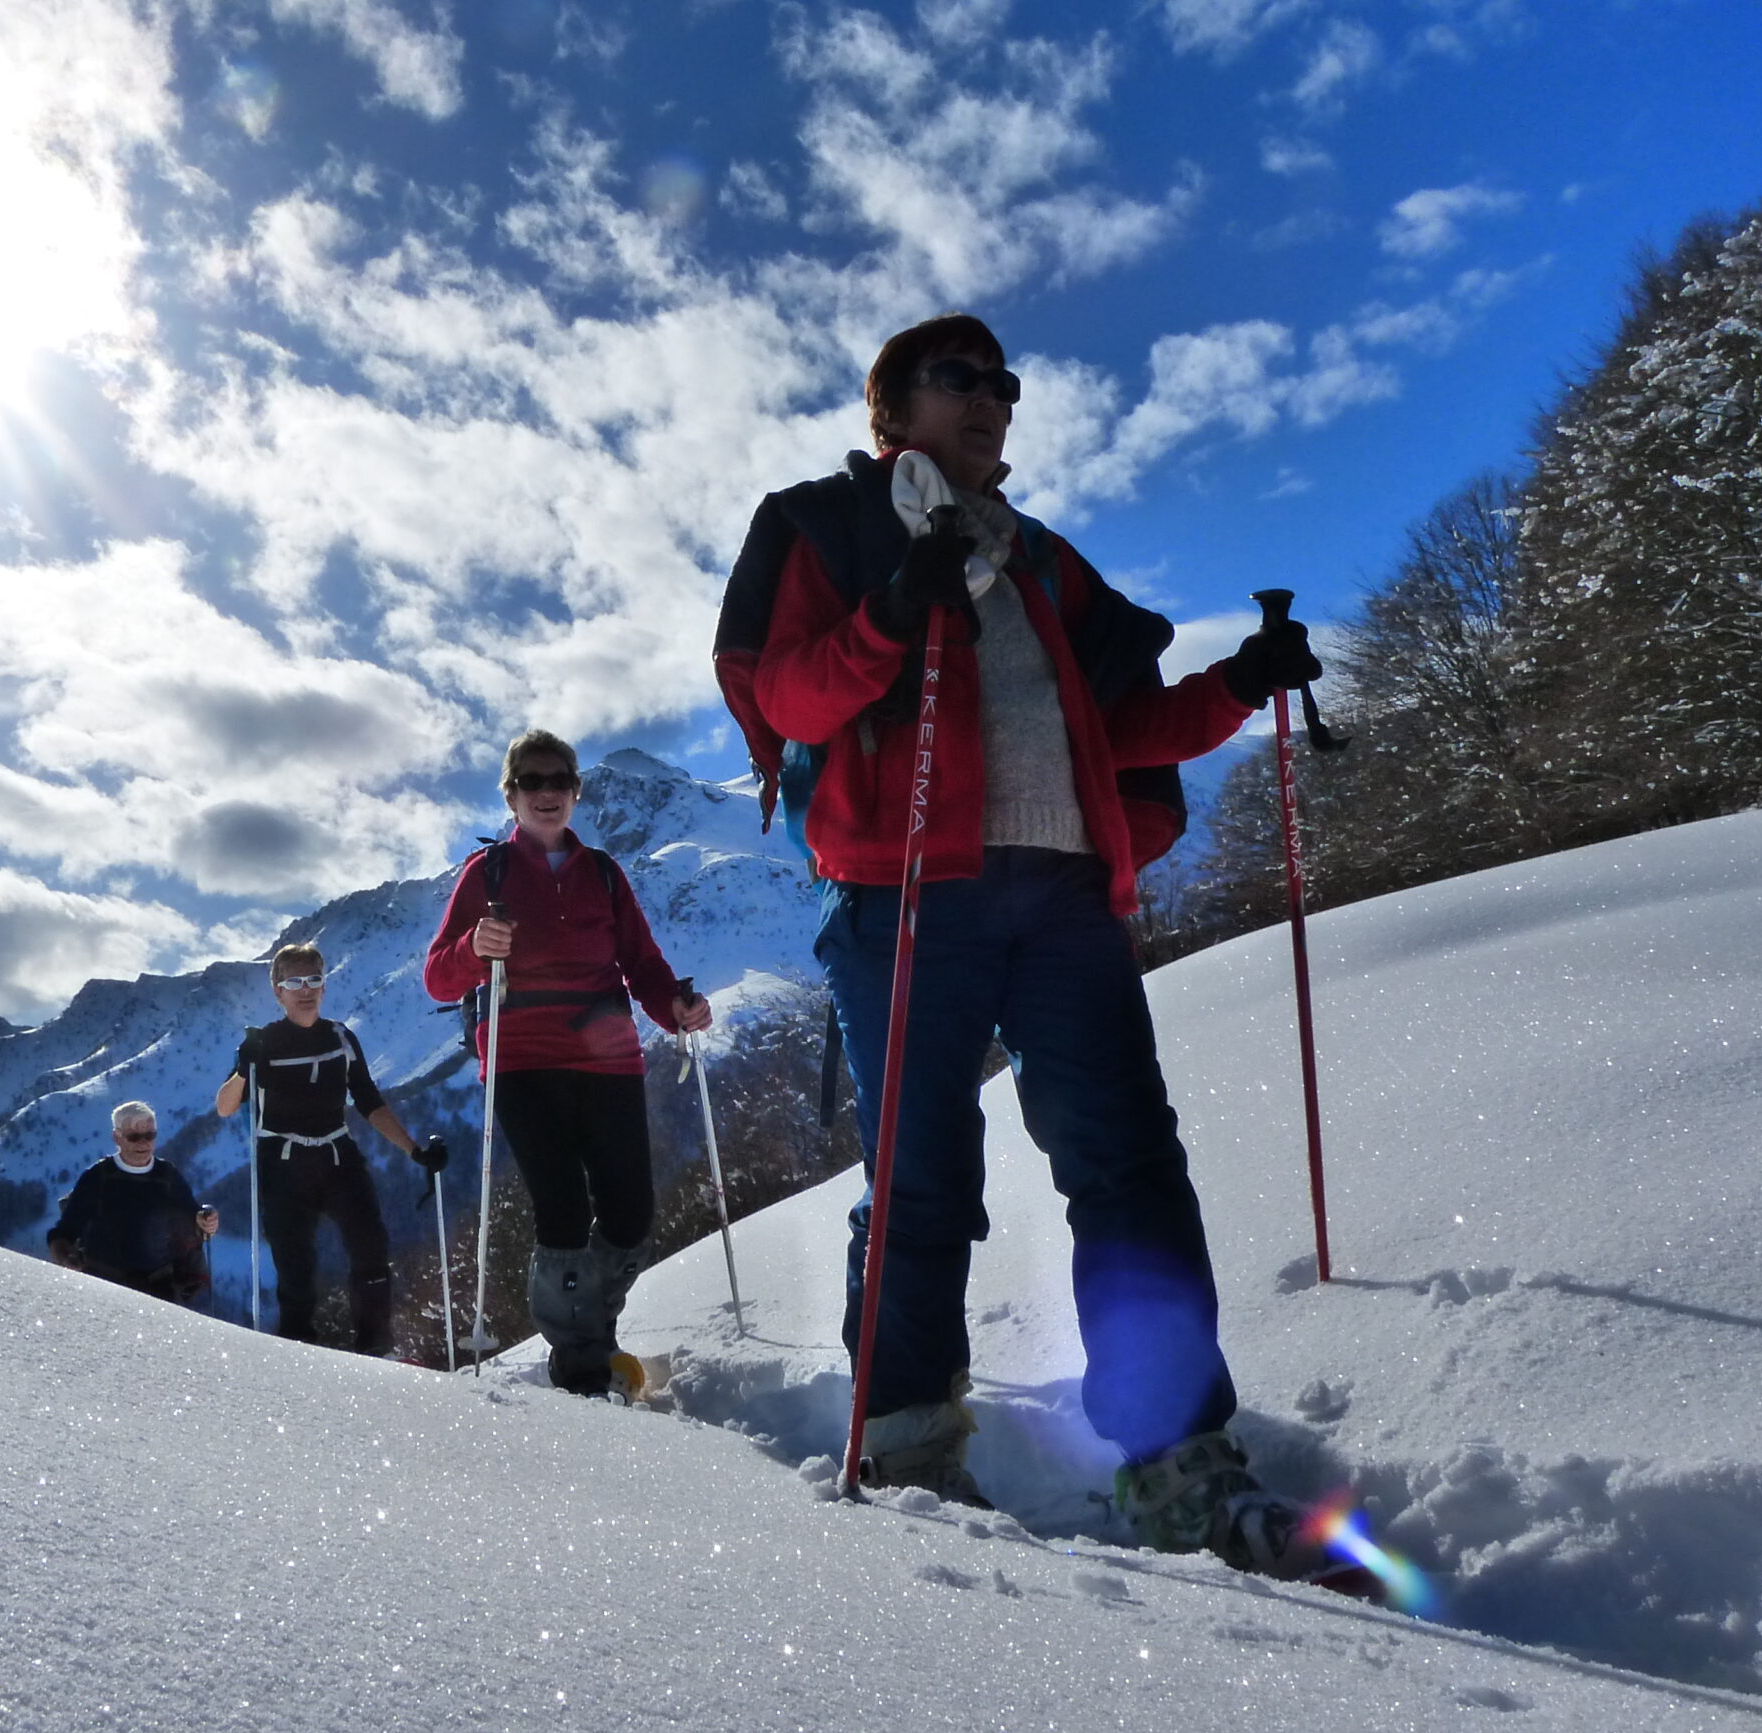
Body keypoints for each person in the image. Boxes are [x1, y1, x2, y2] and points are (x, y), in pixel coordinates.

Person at [722, 314, 1330, 1574]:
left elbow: (1124, 726)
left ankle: (1180, 1465)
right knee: (924, 1180)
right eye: (960, 380)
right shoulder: (818, 525)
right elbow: (788, 694)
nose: (993, 398)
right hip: (902, 895)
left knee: (1127, 1168)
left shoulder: (1046, 562)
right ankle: (901, 1443)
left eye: (1003, 383)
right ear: (889, 411)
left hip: (1059, 893)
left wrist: (1235, 682)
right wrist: (894, 608)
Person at [422, 732, 715, 1395]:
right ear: (511, 794)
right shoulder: (487, 875)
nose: (547, 792)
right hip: (522, 1060)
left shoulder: (604, 874)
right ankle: (579, 1360)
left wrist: (678, 1009)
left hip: (608, 1059)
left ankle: (590, 1324)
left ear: (577, 791)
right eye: (532, 781)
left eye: (560, 781)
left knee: (631, 1216)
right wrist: (473, 948)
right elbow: (439, 979)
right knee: (560, 1207)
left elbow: (641, 964)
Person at [215, 943, 445, 1355]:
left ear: (324, 987)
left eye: (314, 980)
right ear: (278, 992)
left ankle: (376, 1350)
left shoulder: (340, 1037)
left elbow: (369, 1101)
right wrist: (244, 1069)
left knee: (370, 1247)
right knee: (295, 1269)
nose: (305, 990)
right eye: (294, 982)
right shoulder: (263, 1043)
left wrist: (415, 1151)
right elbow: (225, 1107)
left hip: (337, 1157)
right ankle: (297, 1354)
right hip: (283, 1166)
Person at [48, 1100, 220, 1307]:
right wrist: (67, 1260)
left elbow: (194, 1227)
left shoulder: (168, 1176)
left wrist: (206, 1222)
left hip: (159, 1292)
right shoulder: (97, 1178)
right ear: (116, 1137)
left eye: (150, 1136)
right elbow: (61, 1234)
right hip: (103, 1290)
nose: (143, 1143)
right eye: (134, 1137)